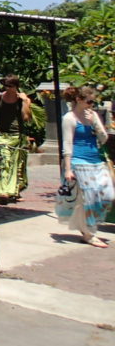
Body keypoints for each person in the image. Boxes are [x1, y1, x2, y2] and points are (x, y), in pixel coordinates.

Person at [60, 85, 115, 248]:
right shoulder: (69, 118)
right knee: (90, 197)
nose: (92, 104)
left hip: (95, 159)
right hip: (78, 160)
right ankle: (89, 233)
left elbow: (104, 138)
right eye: (89, 101)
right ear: (78, 100)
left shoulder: (92, 115)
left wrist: (95, 122)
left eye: (93, 102)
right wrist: (68, 169)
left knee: (108, 194)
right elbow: (67, 143)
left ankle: (85, 226)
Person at [0, 75, 33, 204]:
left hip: (19, 135)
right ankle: (3, 191)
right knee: (5, 162)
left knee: (18, 165)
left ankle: (14, 191)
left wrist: (24, 101)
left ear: (16, 87)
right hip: (2, 135)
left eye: (10, 86)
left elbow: (26, 117)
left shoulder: (23, 100)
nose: (7, 88)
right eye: (5, 85)